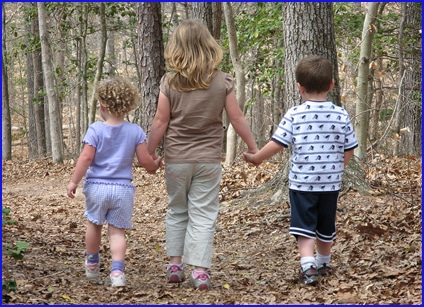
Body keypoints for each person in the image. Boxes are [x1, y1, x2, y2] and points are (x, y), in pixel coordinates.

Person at [147, 19, 258, 290]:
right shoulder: (222, 81)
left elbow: (161, 121)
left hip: (177, 158)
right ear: (208, 46)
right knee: (204, 213)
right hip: (208, 159)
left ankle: (175, 264)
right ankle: (199, 271)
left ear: (177, 48)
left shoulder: (170, 82)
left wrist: (147, 153)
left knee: (177, 209)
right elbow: (237, 117)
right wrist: (253, 147)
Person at [244, 55, 358, 286]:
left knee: (304, 225)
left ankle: (308, 266)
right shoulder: (341, 113)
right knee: (326, 223)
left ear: (299, 87)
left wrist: (256, 158)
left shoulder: (295, 114)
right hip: (330, 184)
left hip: (302, 184)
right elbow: (350, 149)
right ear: (331, 85)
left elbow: (278, 143)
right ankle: (324, 262)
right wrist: (336, 169)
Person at [66, 77, 162, 287]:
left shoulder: (95, 129)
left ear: (102, 106)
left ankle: (92, 265)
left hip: (97, 188)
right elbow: (144, 160)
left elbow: (86, 158)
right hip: (122, 190)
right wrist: (154, 166)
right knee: (117, 231)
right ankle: (117, 272)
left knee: (94, 224)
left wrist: (74, 181)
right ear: (128, 105)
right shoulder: (135, 131)